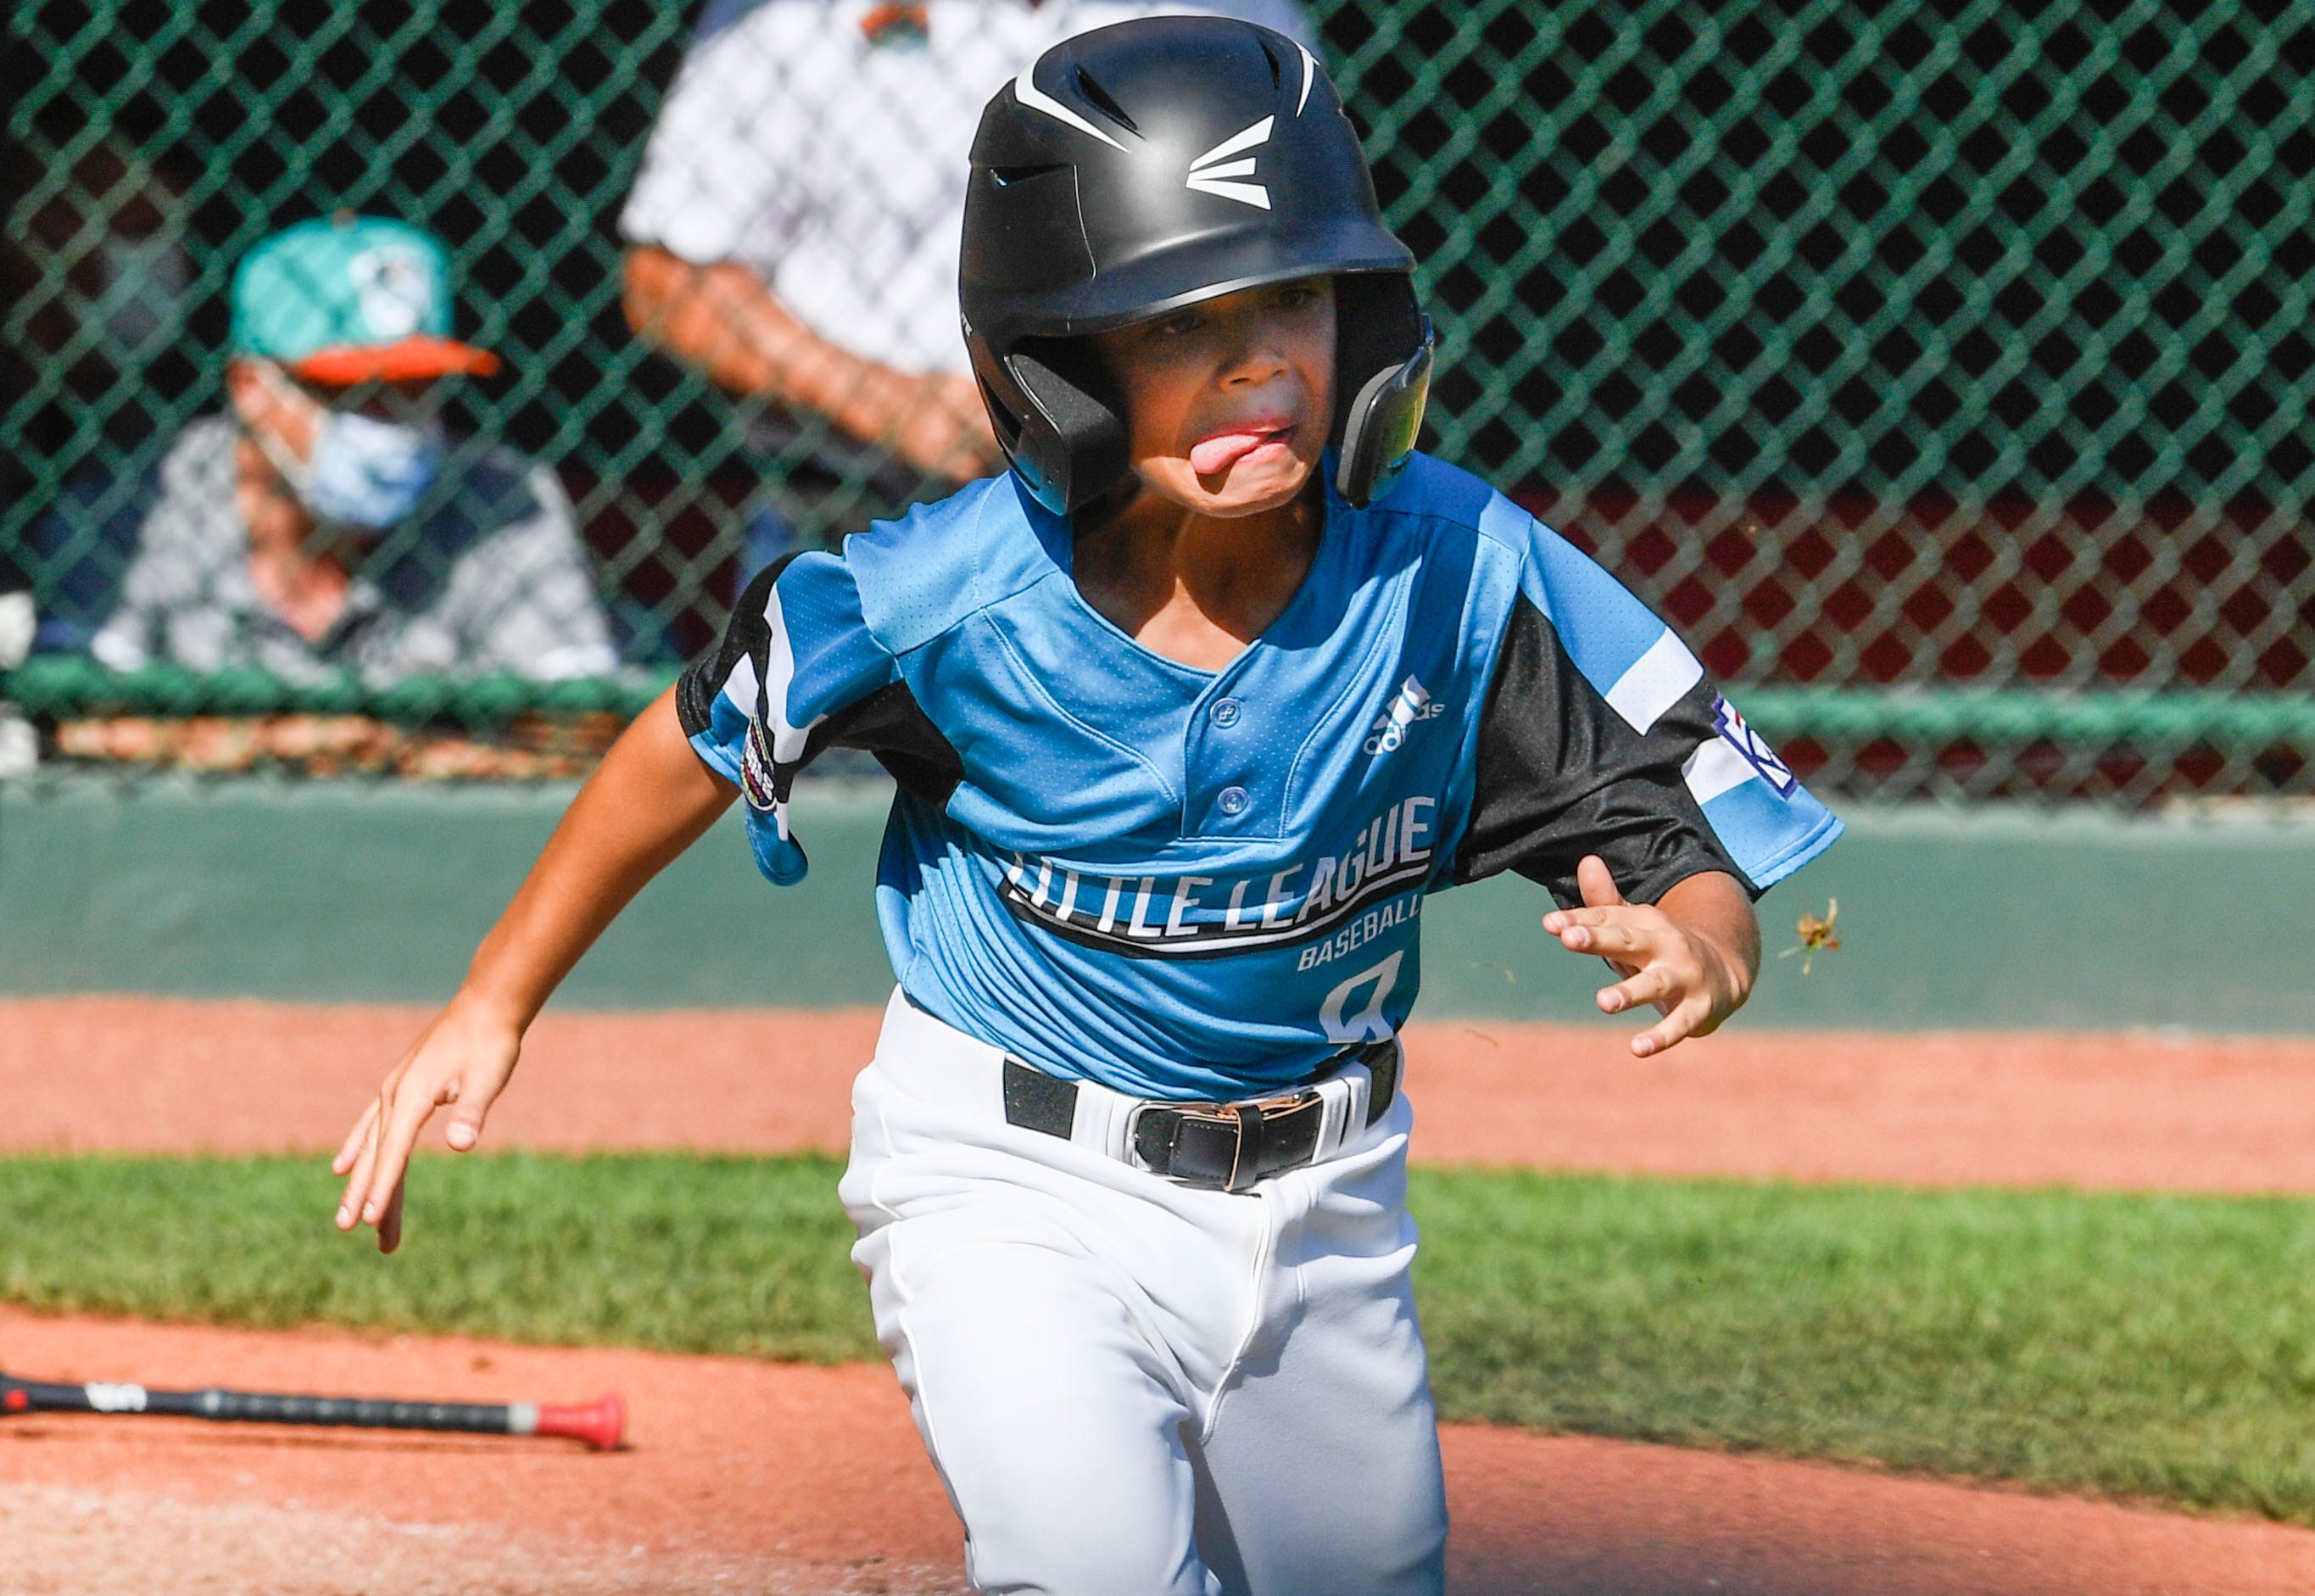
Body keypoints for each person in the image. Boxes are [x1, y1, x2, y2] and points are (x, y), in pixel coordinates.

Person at [336, 20, 1841, 1593]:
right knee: (1098, 1568)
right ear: (1059, 364)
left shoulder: (1452, 573)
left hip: (1327, 1206)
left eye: (1293, 298)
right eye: (1184, 320)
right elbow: (692, 737)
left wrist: (1710, 948)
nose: (1259, 357)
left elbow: (1678, 833)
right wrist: (490, 1003)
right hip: (1011, 1177)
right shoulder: (944, 598)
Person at [619, 0, 1310, 575]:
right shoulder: (783, 17)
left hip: (1160, 498)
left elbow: (1302, 252)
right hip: (864, 512)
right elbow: (672, 281)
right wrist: (894, 404)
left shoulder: (1232, 13)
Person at [91, 215, 618, 686]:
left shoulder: (506, 500)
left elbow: (579, 730)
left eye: (414, 389)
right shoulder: (145, 502)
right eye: (354, 394)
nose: (392, 427)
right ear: (252, 388)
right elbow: (73, 726)